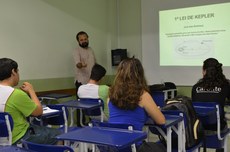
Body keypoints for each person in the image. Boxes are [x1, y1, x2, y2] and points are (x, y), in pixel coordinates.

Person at [108, 57, 166, 151]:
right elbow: (161, 121)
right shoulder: (143, 95)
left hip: (114, 147)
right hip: (134, 147)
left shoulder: (111, 95)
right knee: (161, 147)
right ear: (139, 74)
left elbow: (121, 117)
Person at [0, 58, 61, 145]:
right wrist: (31, 90)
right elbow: (38, 112)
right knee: (59, 134)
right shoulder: (16, 94)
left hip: (2, 139)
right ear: (13, 72)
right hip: (18, 137)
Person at [192, 58, 230, 152]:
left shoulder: (195, 87)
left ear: (204, 71)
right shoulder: (225, 86)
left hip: (198, 130)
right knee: (222, 118)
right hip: (217, 130)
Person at [73, 31, 96, 126]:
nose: (84, 41)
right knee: (81, 105)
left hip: (92, 82)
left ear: (88, 38)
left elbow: (95, 63)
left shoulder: (91, 50)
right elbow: (77, 64)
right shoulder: (76, 50)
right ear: (78, 41)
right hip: (81, 82)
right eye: (81, 40)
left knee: (92, 104)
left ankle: (92, 123)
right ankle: (80, 124)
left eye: (85, 39)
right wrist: (80, 65)